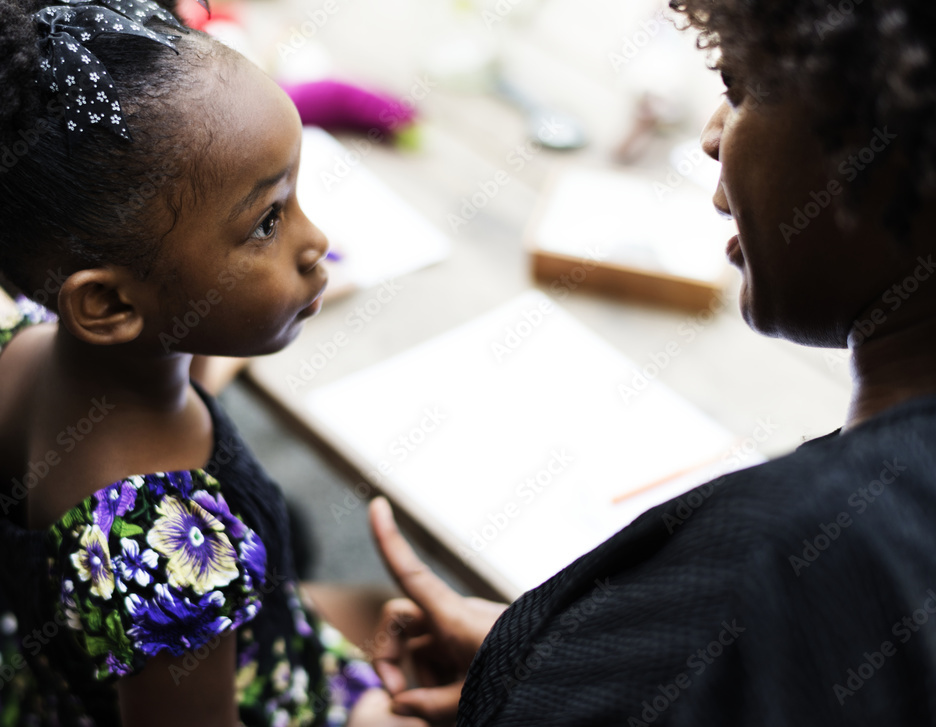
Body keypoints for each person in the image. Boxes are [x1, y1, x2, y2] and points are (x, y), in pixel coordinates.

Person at [365, 1, 936, 725]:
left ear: (888, 139)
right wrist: (559, 668)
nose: (710, 137)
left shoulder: (787, 562)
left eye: (739, 88)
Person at [0, 1, 428, 725]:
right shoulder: (166, 547)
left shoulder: (8, 351)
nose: (316, 239)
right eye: (267, 219)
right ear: (107, 304)